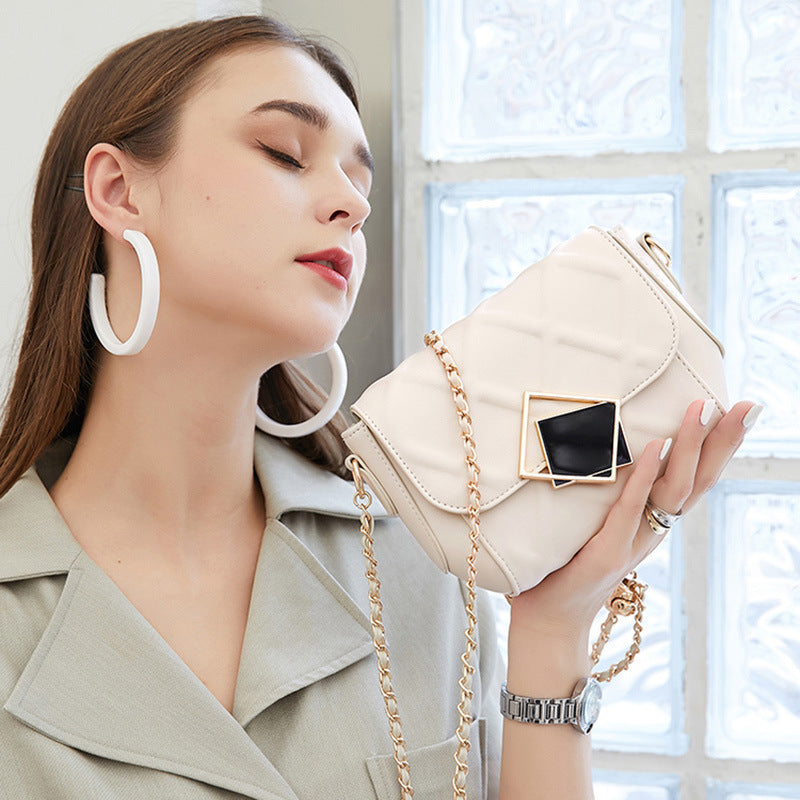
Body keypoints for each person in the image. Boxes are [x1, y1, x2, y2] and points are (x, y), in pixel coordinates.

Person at [0, 14, 759, 800]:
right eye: (285, 153)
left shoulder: (417, 561)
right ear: (119, 192)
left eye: (360, 185)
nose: (351, 207)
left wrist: (555, 626)